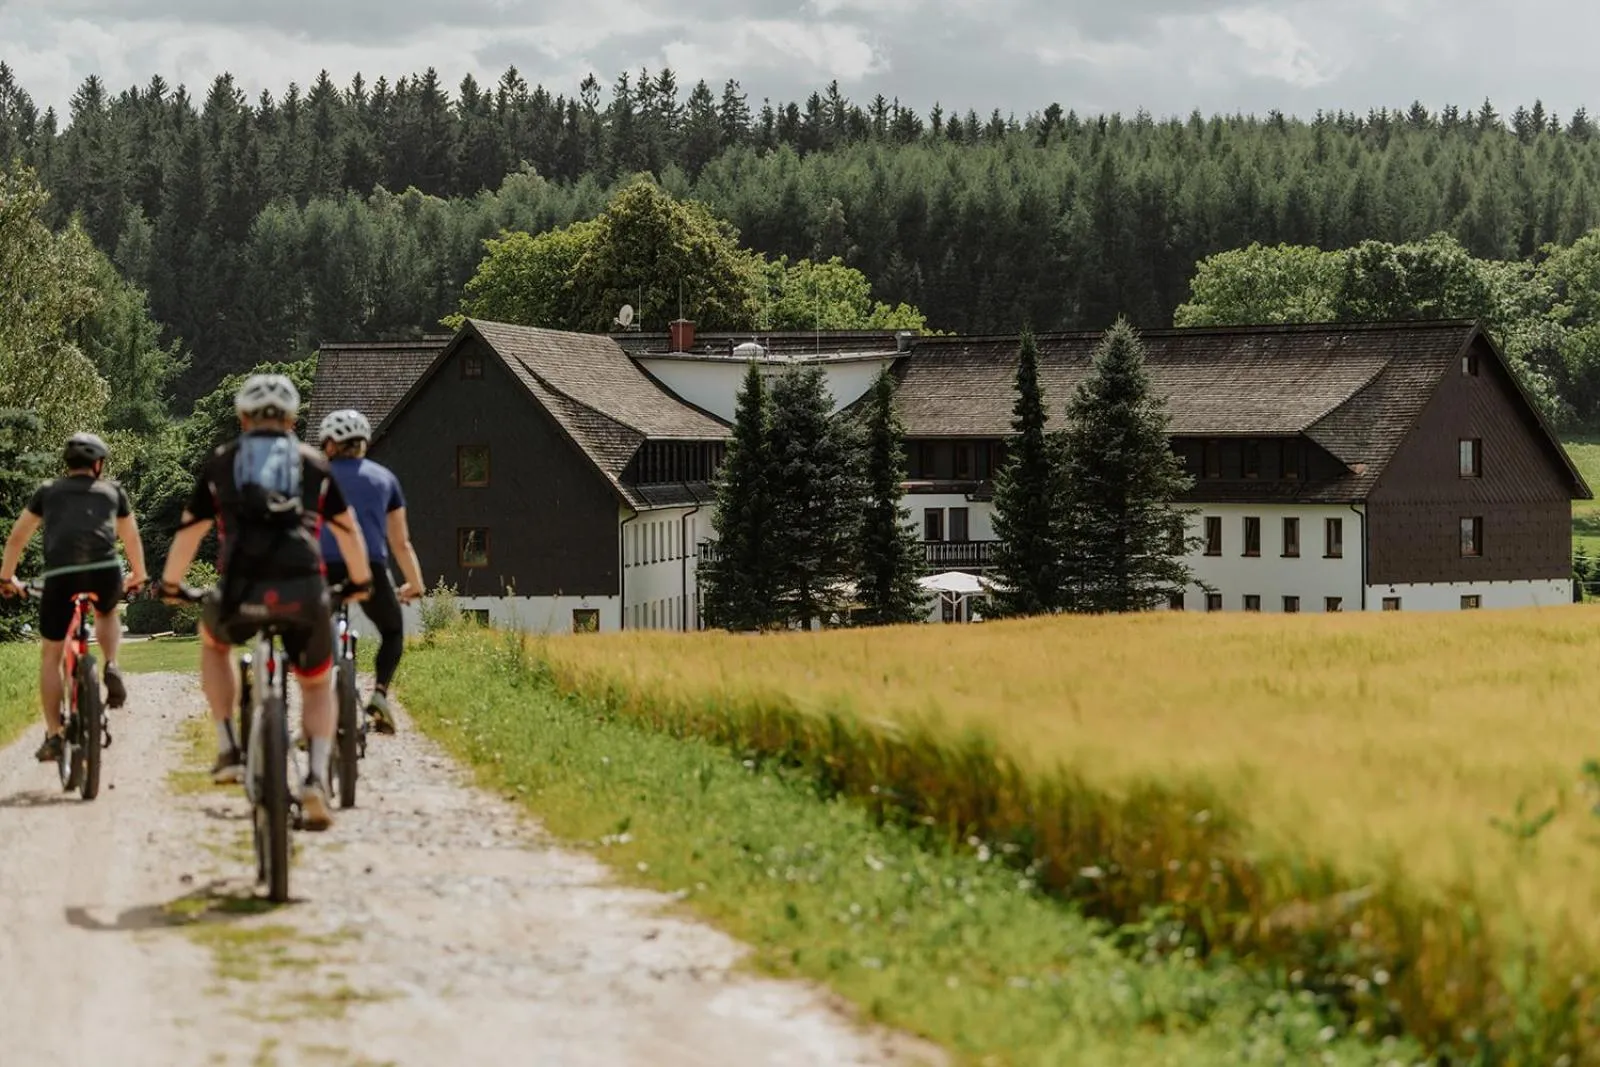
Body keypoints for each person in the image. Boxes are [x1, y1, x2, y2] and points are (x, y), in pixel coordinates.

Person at [159, 374, 372, 832]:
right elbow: (347, 530)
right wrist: (360, 582)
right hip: (304, 590)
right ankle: (316, 776)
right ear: (294, 420)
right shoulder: (315, 463)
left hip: (240, 591)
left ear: (242, 418)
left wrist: (172, 585)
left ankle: (228, 745)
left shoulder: (222, 462)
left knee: (215, 644)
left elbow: (190, 531)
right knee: (316, 683)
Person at [0, 432, 148, 762]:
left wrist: (7, 578)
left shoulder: (48, 491)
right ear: (98, 465)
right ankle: (111, 665)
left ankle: (54, 735)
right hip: (105, 569)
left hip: (60, 575)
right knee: (106, 613)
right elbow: (131, 537)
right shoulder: (113, 491)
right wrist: (137, 574)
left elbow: (17, 538)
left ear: (68, 464)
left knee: (51, 655)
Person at [316, 409, 424, 735]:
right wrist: (414, 584)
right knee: (392, 632)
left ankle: (321, 712)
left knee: (317, 634)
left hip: (320, 567)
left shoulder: (313, 476)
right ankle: (379, 694)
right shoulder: (384, 479)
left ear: (329, 444)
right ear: (363, 443)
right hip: (370, 568)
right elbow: (400, 542)